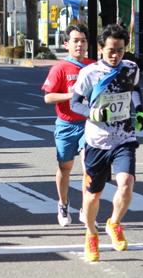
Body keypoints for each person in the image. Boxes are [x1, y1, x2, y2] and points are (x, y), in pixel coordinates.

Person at [70, 24, 143, 262]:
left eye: (121, 50)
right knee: (94, 194)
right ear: (101, 48)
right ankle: (91, 233)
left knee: (126, 183)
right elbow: (74, 102)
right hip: (97, 140)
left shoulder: (131, 68)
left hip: (124, 137)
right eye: (111, 50)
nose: (116, 55)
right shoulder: (90, 73)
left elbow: (134, 90)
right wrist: (93, 114)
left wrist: (141, 111)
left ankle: (114, 222)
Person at [41, 24, 94, 226]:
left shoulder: (94, 66)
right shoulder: (60, 68)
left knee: (88, 167)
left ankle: (85, 209)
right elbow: (48, 97)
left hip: (89, 124)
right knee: (65, 167)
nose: (79, 44)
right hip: (66, 124)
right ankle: (63, 205)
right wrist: (72, 95)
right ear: (67, 44)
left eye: (83, 40)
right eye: (75, 41)